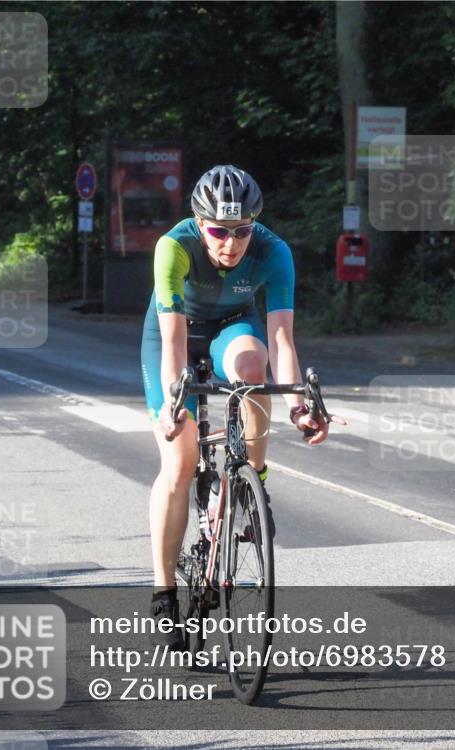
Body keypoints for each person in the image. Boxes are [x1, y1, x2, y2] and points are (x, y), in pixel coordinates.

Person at [140, 165, 328, 644]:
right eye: (220, 232)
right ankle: (163, 592)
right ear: (200, 223)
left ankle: (252, 481)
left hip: (232, 328)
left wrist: (299, 407)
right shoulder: (173, 247)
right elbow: (173, 343)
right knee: (180, 464)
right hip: (176, 333)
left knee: (252, 367)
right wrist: (174, 404)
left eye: (242, 231)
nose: (231, 243)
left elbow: (281, 339)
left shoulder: (273, 251)